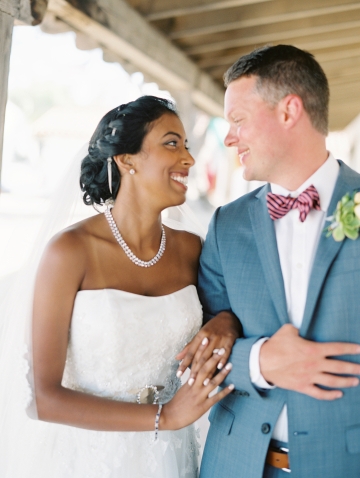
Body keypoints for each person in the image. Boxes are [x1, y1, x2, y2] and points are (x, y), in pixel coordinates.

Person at [0, 95, 240, 478]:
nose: (189, 159)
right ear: (126, 160)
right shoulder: (70, 252)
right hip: (89, 460)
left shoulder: (192, 249)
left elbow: (223, 317)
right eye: (171, 143)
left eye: (187, 146)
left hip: (171, 458)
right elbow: (43, 399)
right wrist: (168, 415)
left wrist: (226, 321)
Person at [187, 45, 360, 477]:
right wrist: (259, 361)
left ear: (289, 111)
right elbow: (196, 337)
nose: (229, 137)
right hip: (235, 463)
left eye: (238, 120)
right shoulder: (227, 225)